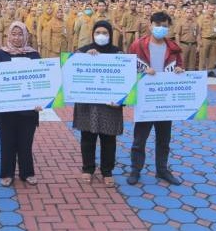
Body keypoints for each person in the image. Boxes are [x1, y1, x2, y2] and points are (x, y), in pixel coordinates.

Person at [0, 21, 41, 187]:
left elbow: (42, 80)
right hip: (5, 110)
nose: (17, 38)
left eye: (20, 34)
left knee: (25, 143)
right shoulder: (0, 54)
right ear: (8, 36)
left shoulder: (33, 55)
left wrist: (41, 101)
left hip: (28, 110)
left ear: (26, 36)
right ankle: (7, 173)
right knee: (7, 142)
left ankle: (27, 173)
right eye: (13, 34)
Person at [127, 11, 184, 186]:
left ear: (169, 28)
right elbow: (128, 68)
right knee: (140, 139)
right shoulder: (137, 45)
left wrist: (180, 71)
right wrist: (143, 72)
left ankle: (162, 170)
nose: (160, 29)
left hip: (165, 101)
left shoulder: (173, 48)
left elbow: (180, 65)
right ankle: (136, 169)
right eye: (157, 25)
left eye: (164, 26)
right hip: (146, 100)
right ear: (150, 25)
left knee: (164, 139)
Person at [73, 20, 123, 187]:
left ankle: (107, 171)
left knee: (109, 139)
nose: (101, 36)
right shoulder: (84, 51)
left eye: (105, 33)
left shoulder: (118, 54)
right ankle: (88, 169)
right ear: (93, 34)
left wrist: (122, 101)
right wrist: (84, 58)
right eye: (98, 33)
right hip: (88, 105)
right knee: (87, 137)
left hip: (110, 105)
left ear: (110, 34)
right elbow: (71, 69)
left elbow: (126, 79)